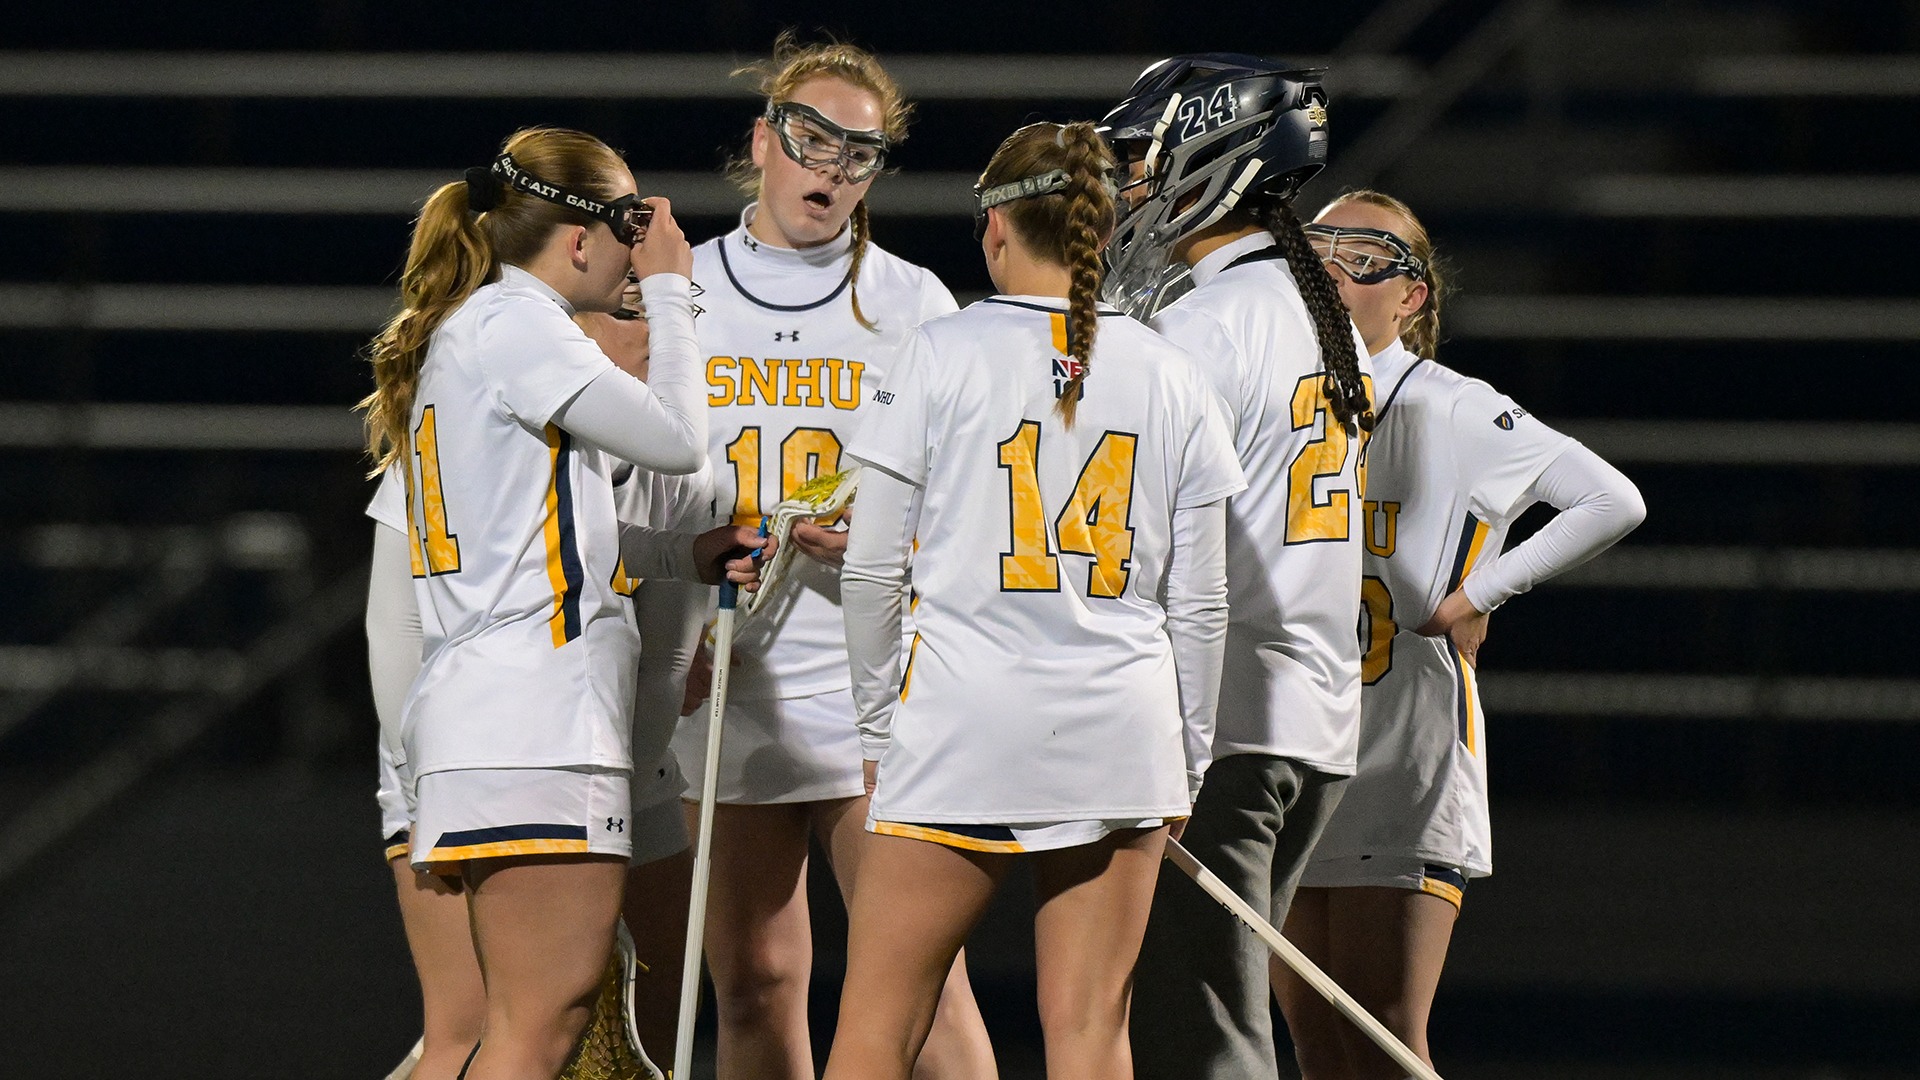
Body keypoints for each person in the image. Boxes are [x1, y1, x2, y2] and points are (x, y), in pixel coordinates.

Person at [822, 119, 1244, 1080]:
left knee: (875, 1030)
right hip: (1120, 728)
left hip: (965, 717)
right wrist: (1186, 757)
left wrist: (880, 733)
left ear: (997, 226)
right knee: (1092, 1034)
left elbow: (871, 572)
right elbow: (1204, 605)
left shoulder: (941, 351)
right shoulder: (1174, 372)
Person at [357, 125, 767, 1079]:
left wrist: (682, 553)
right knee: (540, 1028)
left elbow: (545, 541)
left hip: (498, 716)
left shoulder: (483, 332)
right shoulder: (517, 325)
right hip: (532, 720)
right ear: (579, 239)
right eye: (631, 227)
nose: (640, 252)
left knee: (532, 1025)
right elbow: (678, 439)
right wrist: (675, 293)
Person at [664, 34, 994, 1079]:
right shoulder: (683, 291)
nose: (834, 171)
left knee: (921, 982)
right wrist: (701, 547)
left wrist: (893, 540)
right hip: (730, 672)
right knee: (756, 980)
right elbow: (633, 470)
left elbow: (978, 492)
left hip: (872, 679)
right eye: (813, 140)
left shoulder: (914, 304)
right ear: (763, 141)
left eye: (862, 154)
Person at [1273, 191, 1645, 1078]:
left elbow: (1612, 499)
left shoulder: (1451, 405)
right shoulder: (1276, 398)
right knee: (1317, 1042)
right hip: (1297, 747)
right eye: (1318, 245)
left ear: (1411, 295)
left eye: (1364, 255)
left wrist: (1480, 592)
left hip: (1404, 750)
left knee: (1386, 1035)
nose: (1332, 267)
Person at [1095, 55, 1375, 1080]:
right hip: (1313, 718)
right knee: (1213, 1009)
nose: (1125, 181)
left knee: (1204, 1032)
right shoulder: (1318, 311)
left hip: (1229, 722)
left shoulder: (1208, 325)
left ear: (1208, 157)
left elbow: (1149, 534)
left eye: (1137, 155)